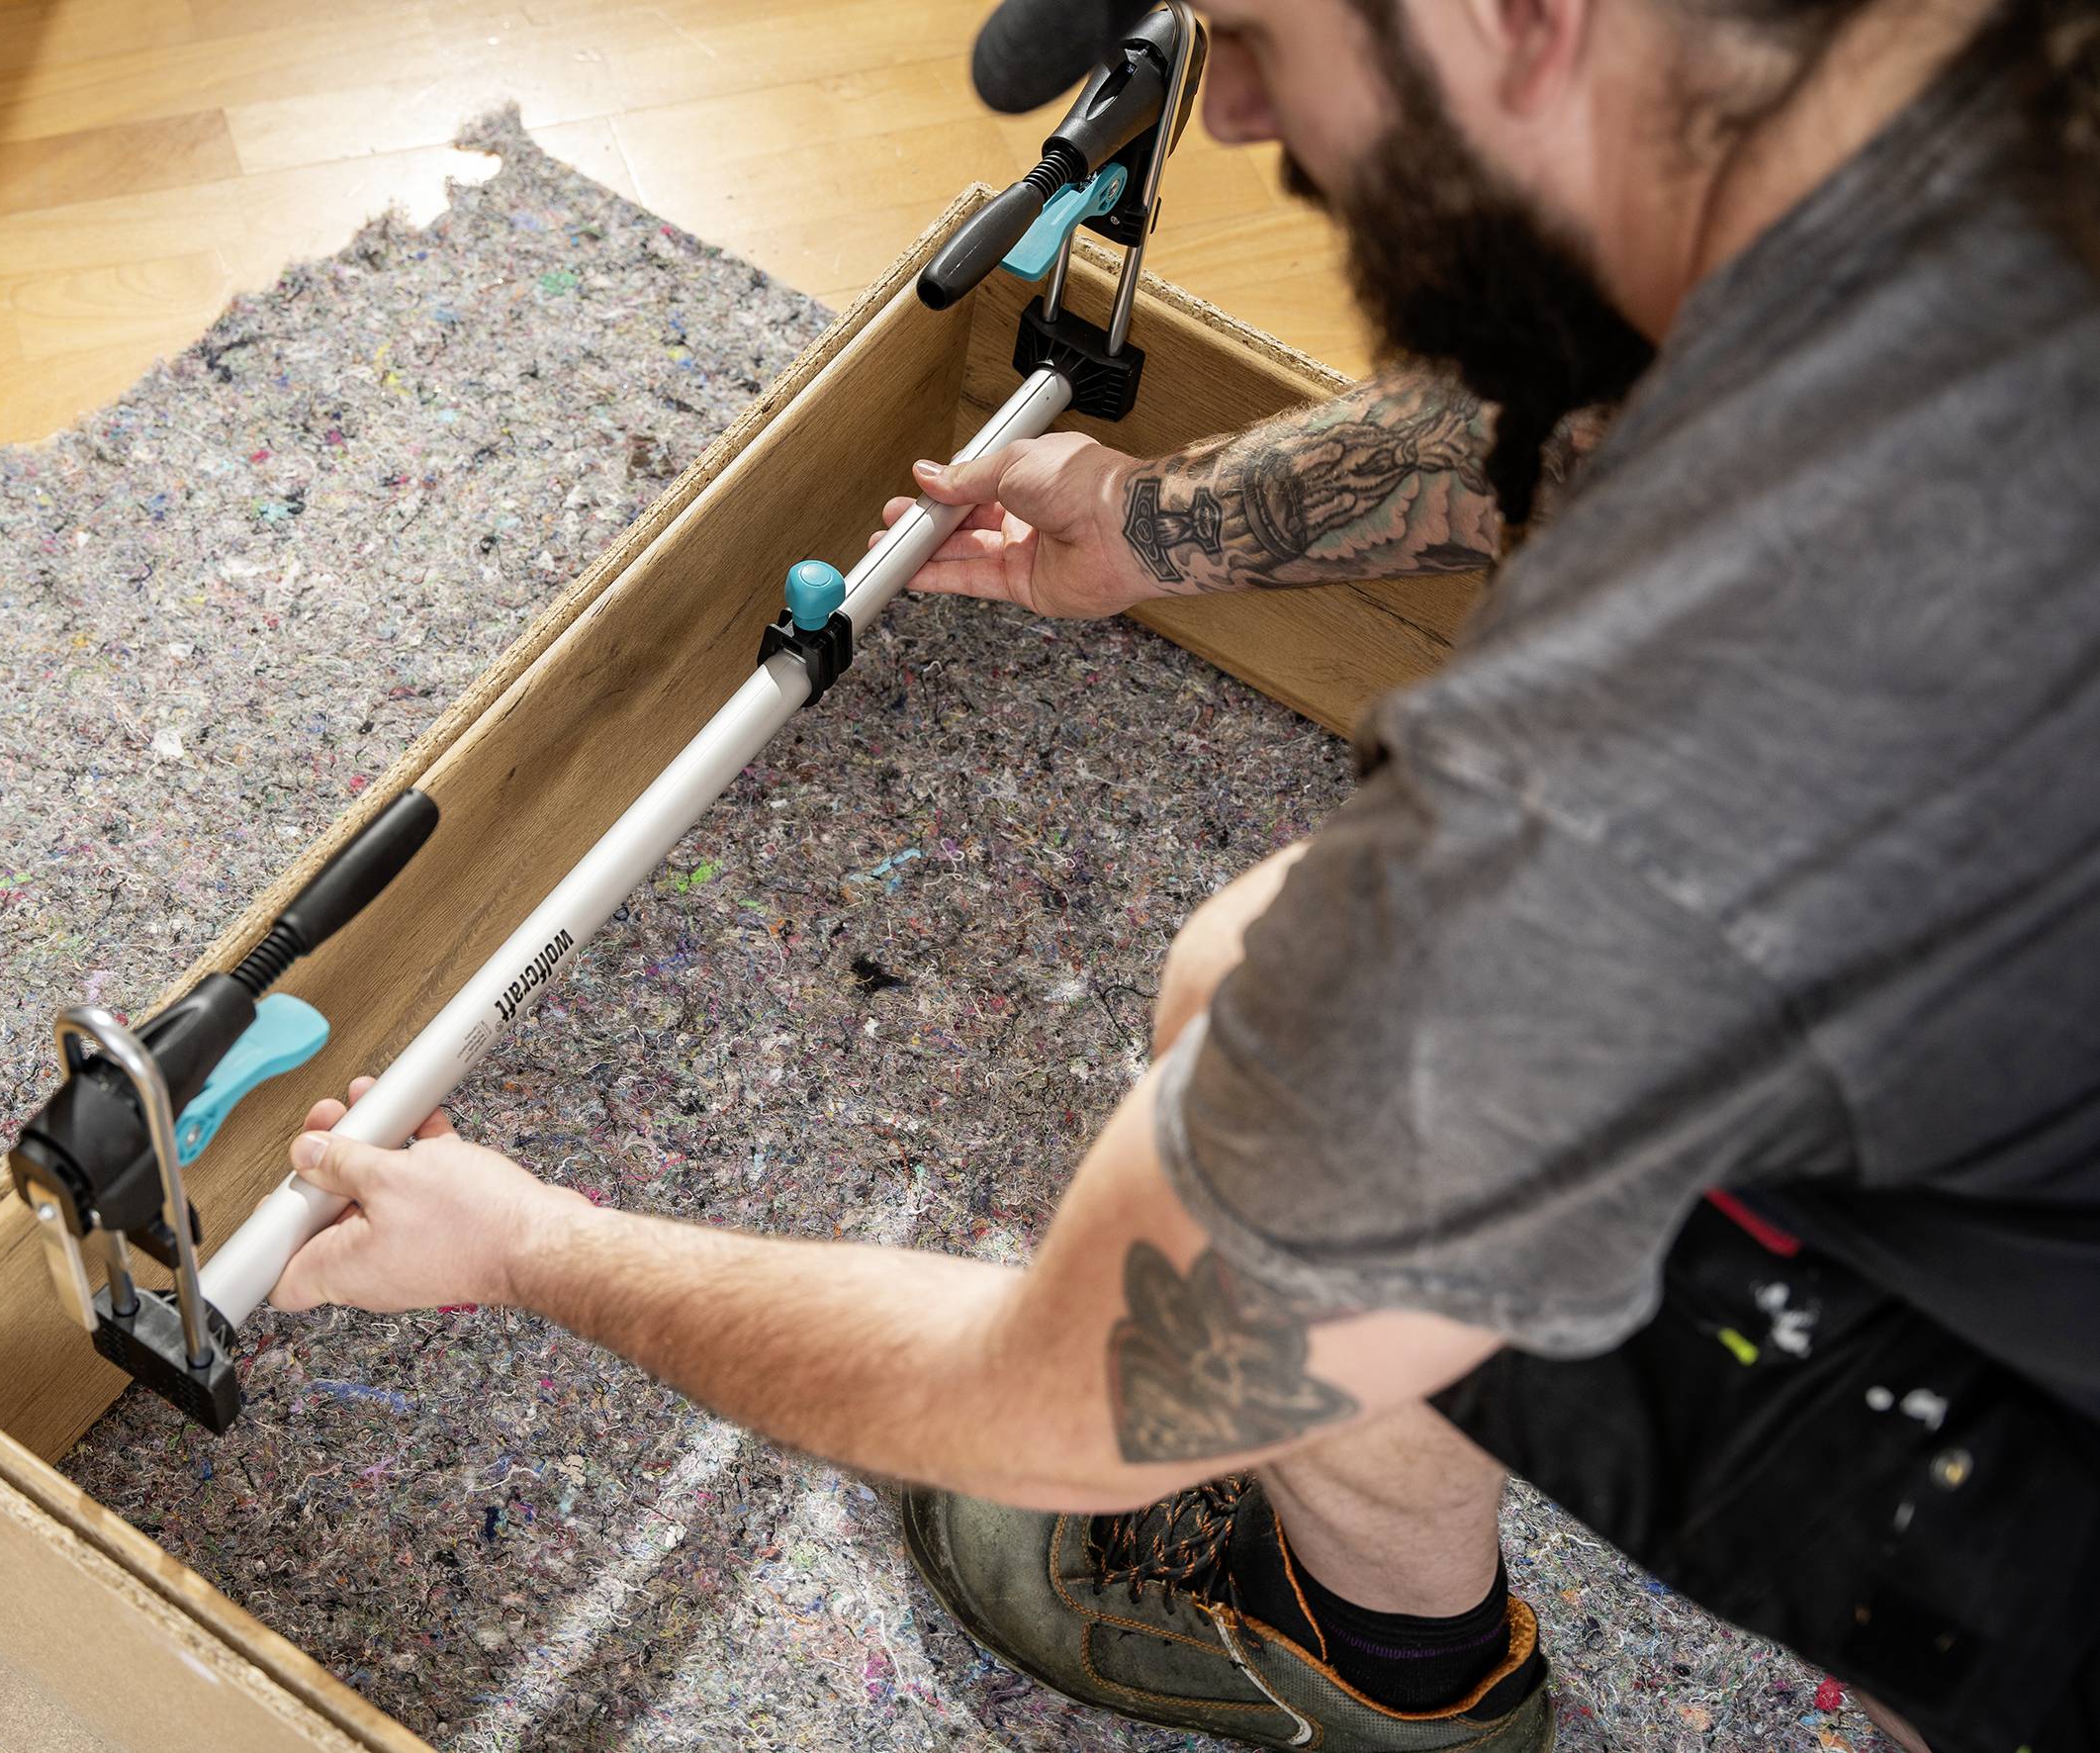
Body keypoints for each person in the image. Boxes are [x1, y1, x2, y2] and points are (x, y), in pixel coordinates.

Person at [269, 2, 2100, 1748]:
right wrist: (1162, 523)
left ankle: (1386, 1672)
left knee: (1266, 1030)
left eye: (1273, 39)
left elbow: (1065, 1403)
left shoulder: (1660, 776)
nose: (1227, 114)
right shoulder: (1965, 129)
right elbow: (1617, 397)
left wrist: (530, 1247)